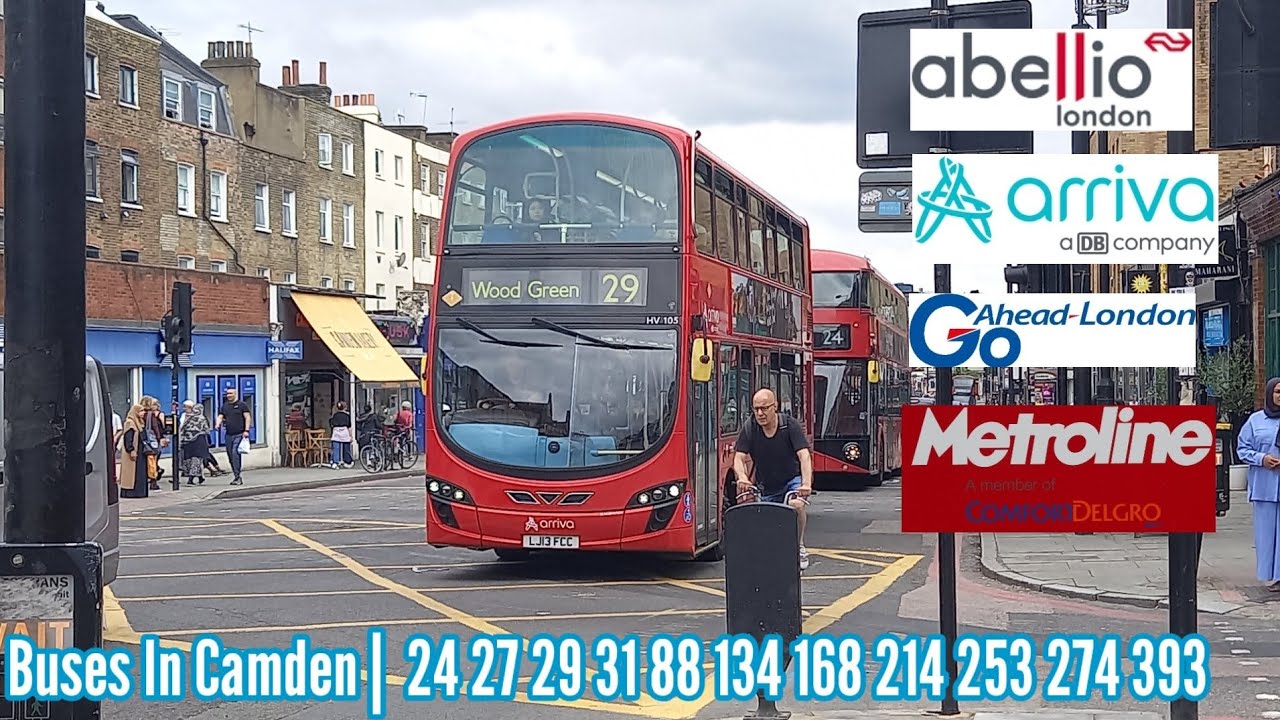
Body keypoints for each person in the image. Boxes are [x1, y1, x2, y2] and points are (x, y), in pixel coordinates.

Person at [733, 387, 814, 570]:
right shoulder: (750, 428)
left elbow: (804, 456)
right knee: (764, 526)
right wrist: (743, 477)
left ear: (775, 406)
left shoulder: (789, 426)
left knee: (797, 505)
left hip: (791, 481)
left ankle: (799, 546)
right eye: (756, 409)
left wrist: (806, 484)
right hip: (766, 487)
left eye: (764, 408)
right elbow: (738, 457)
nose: (760, 413)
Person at [1236, 377, 1280, 592]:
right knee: (1266, 535)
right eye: (1278, 392)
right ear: (1270, 394)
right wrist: (1262, 459)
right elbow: (1242, 449)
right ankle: (1270, 575)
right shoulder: (1255, 421)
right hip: (1264, 486)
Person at [215, 388, 252, 486]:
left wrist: (246, 430)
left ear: (235, 394)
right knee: (230, 455)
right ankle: (236, 475)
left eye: (231, 393)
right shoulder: (225, 406)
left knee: (235, 453)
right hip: (229, 434)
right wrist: (217, 424)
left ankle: (237, 476)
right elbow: (220, 416)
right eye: (227, 393)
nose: (229, 395)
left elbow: (247, 417)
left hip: (239, 433)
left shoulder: (242, 405)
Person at [118, 404, 149, 499]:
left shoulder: (140, 423)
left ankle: (140, 492)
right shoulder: (130, 423)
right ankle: (130, 492)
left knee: (140, 473)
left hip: (141, 452)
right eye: (141, 411)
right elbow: (128, 438)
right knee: (132, 474)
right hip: (133, 452)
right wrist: (131, 450)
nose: (143, 413)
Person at [180, 404, 211, 485]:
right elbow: (207, 430)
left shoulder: (189, 418)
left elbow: (182, 428)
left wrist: (182, 440)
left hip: (187, 441)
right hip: (199, 440)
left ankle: (200, 477)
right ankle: (191, 479)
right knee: (197, 460)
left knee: (189, 459)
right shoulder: (202, 418)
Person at [329, 401, 354, 469]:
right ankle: (347, 461)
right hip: (344, 431)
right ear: (345, 407)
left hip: (336, 431)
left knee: (336, 448)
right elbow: (349, 427)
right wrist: (351, 436)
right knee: (346, 447)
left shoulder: (335, 415)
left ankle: (335, 462)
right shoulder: (347, 415)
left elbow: (332, 424)